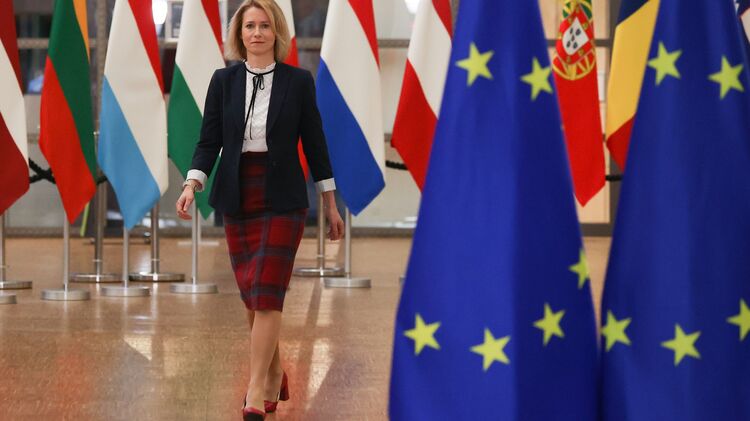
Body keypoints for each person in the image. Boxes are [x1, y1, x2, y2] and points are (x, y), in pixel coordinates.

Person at [175, 1, 344, 419]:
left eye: (264, 25)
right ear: (239, 33)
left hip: (283, 198)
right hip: (238, 194)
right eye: (249, 25)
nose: (256, 32)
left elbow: (316, 144)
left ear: (276, 32)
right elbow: (208, 139)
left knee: (268, 292)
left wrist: (329, 202)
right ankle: (274, 372)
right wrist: (192, 183)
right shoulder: (223, 81)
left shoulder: (298, 82)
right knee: (253, 296)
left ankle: (255, 389)